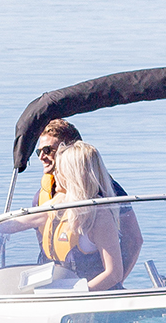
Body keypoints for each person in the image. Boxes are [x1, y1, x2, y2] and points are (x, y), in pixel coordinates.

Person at [32, 118, 143, 270]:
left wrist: (115, 282)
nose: (41, 157)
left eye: (47, 150)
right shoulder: (42, 195)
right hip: (52, 282)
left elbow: (133, 240)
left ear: (70, 149)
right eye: (38, 151)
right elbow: (24, 222)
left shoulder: (105, 190)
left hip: (90, 284)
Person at [42, 142, 129, 290]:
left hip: (94, 301)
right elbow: (21, 221)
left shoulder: (100, 215)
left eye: (59, 169)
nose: (54, 174)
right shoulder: (61, 204)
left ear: (71, 174)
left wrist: (76, 294)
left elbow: (114, 273)